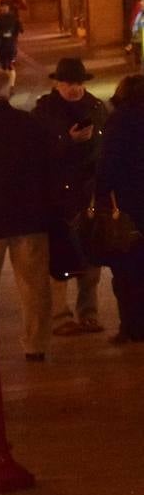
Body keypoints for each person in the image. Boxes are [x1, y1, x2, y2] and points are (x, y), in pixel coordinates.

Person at [0, 68, 56, 362]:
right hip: (29, 216)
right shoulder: (29, 123)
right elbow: (48, 165)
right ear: (8, 90)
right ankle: (36, 344)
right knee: (34, 285)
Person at [33, 58, 109, 335]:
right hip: (59, 197)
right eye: (69, 84)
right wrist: (68, 141)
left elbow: (106, 145)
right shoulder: (44, 111)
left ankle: (89, 313)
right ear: (58, 83)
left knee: (92, 259)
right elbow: (38, 154)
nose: (75, 89)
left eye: (78, 83)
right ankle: (60, 316)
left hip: (90, 194)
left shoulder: (96, 107)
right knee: (61, 260)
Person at [97, 75, 144, 343]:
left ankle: (132, 326)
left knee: (128, 270)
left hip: (130, 204)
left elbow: (108, 163)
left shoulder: (120, 119)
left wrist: (101, 193)